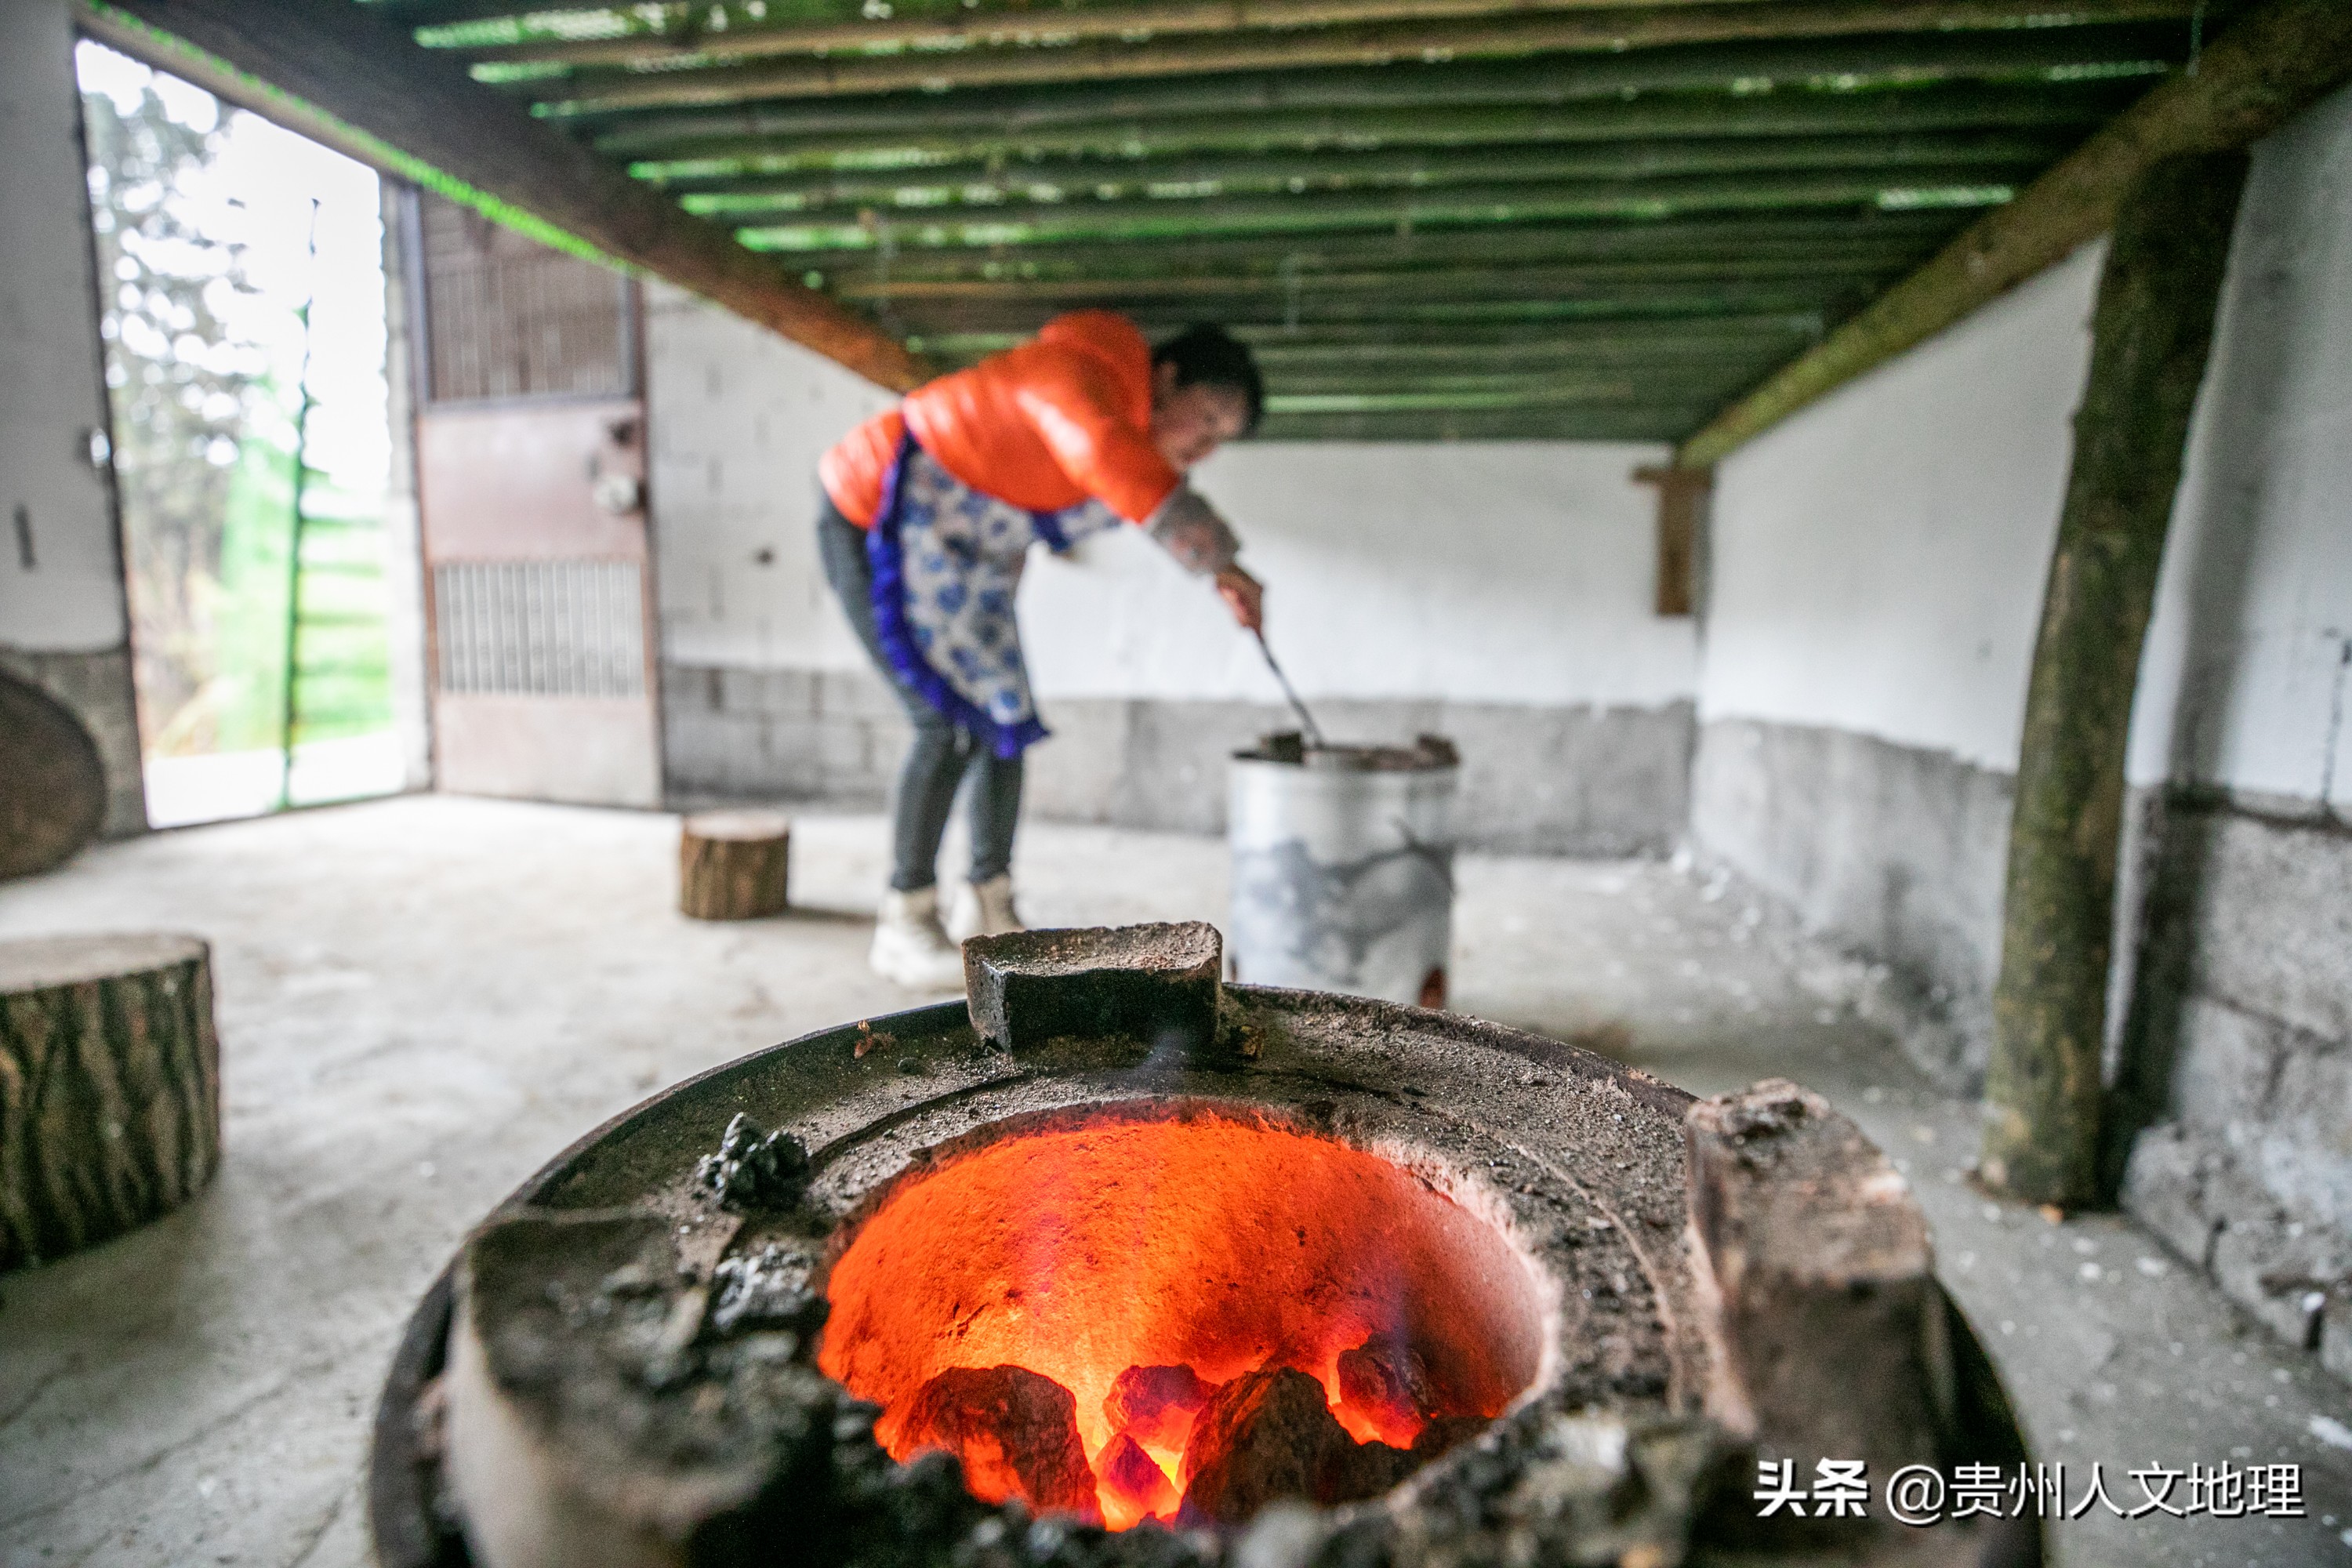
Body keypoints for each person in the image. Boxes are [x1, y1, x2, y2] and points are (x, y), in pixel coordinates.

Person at [817, 314, 1266, 988]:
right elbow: (1103, 453)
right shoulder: (1078, 378)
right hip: (876, 515)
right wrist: (1221, 561)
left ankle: (989, 909)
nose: (1201, 449)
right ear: (1165, 379)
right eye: (1204, 420)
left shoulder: (1126, 429)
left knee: (1004, 719)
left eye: (1218, 442)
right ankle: (905, 921)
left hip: (965, 565)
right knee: (940, 725)